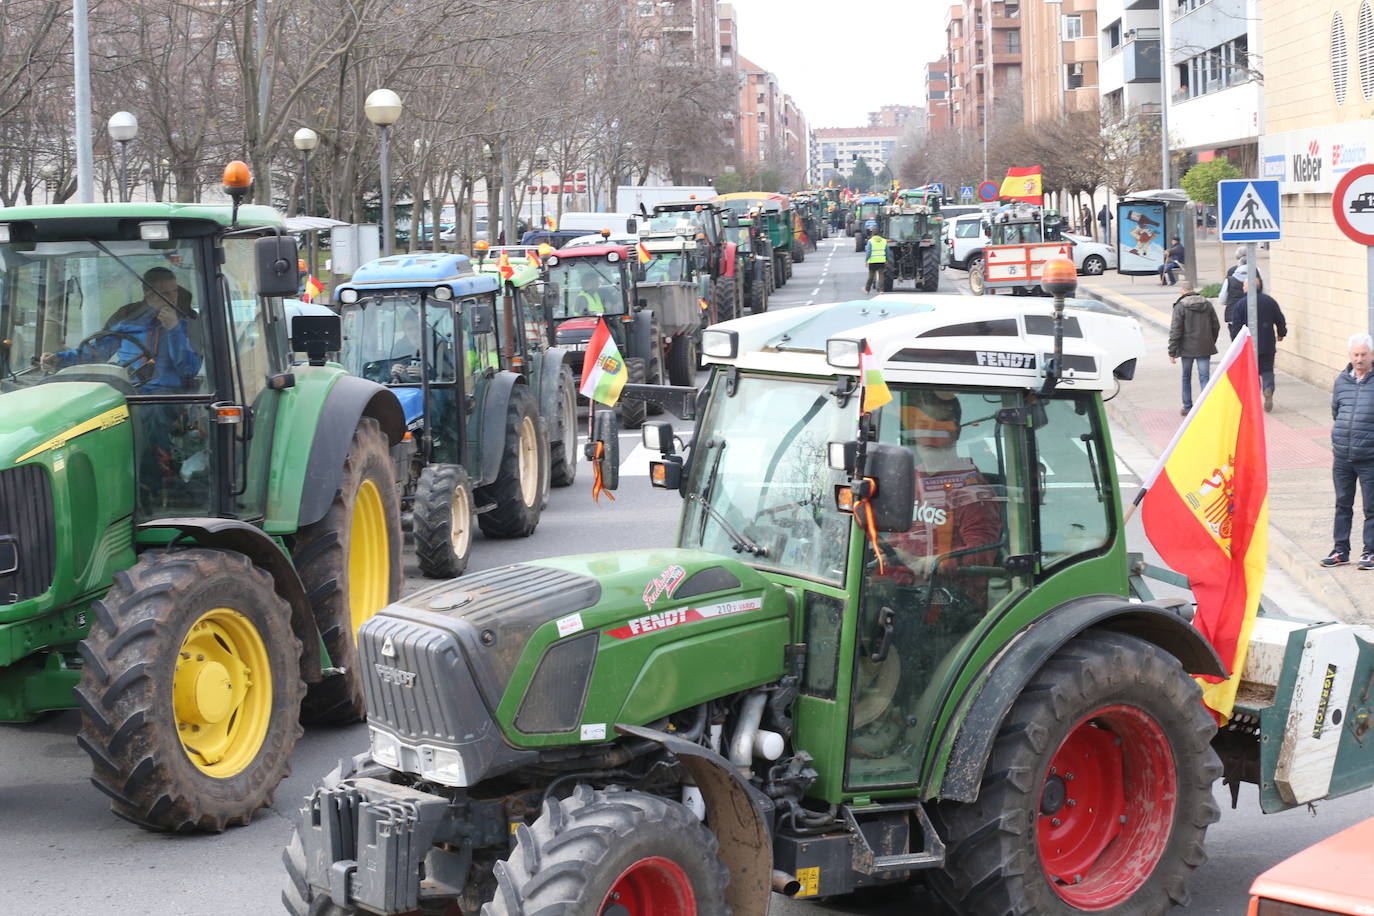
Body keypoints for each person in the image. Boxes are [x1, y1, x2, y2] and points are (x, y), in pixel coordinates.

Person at [44, 266, 201, 393]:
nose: (172, 298)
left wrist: (173, 329)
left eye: (174, 291)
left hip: (166, 395)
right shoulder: (129, 319)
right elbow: (97, 354)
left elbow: (188, 371)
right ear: (148, 293)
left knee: (153, 413)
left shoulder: (187, 323)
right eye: (165, 293)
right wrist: (59, 359)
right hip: (127, 389)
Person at [1322, 333, 1374, 569]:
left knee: (1371, 507)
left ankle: (1370, 552)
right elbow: (1336, 411)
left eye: (1364, 354)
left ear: (1371, 355)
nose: (1359, 358)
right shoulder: (1342, 380)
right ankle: (1340, 550)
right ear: (1349, 355)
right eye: (1356, 354)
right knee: (1343, 503)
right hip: (1343, 456)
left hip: (1369, 457)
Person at [1226, 276, 1286, 411]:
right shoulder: (1269, 301)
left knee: (1252, 373)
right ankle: (1268, 388)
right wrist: (1281, 333)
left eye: (1244, 285)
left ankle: (1254, 399)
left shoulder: (1241, 304)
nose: (1242, 287)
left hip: (1249, 346)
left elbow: (1236, 327)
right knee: (1267, 370)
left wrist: (1236, 344)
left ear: (1249, 287)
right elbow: (1280, 319)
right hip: (1267, 344)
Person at [1167, 283, 1220, 416]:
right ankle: (1206, 407)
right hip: (1204, 346)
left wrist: (1172, 351)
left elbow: (1176, 330)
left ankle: (1187, 407)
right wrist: (1210, 340)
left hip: (1186, 348)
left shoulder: (1180, 306)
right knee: (1205, 378)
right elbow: (1216, 325)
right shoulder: (1207, 304)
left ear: (1183, 291)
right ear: (1193, 290)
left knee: (1186, 377)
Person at [864, 228, 890, 293]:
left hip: (872, 261)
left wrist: (866, 260)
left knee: (871, 276)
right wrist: (887, 259)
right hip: (881, 261)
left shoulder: (870, 241)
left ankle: (867, 289)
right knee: (881, 275)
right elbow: (887, 251)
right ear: (879, 234)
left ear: (872, 234)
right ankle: (881, 290)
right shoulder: (884, 241)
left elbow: (868, 252)